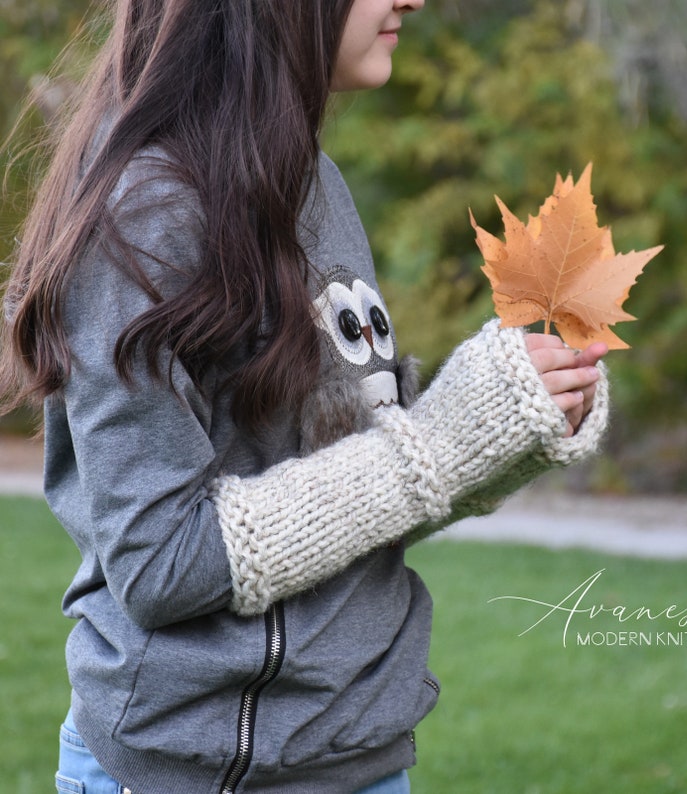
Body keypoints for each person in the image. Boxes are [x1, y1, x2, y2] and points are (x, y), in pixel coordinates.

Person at [0, 0, 609, 791]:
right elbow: (159, 564)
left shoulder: (311, 182)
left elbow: (355, 499)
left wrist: (501, 429)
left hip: (362, 758)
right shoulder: (146, 219)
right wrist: (441, 445)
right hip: (199, 775)